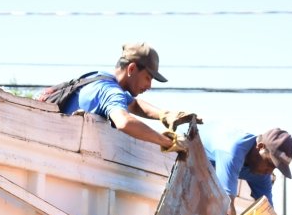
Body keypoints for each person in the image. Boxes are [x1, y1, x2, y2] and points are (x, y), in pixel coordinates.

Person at [60, 42, 195, 152]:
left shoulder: (97, 78)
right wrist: (167, 142)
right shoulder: (111, 92)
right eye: (148, 78)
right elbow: (124, 122)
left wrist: (163, 114)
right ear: (131, 69)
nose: (149, 86)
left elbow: (134, 104)